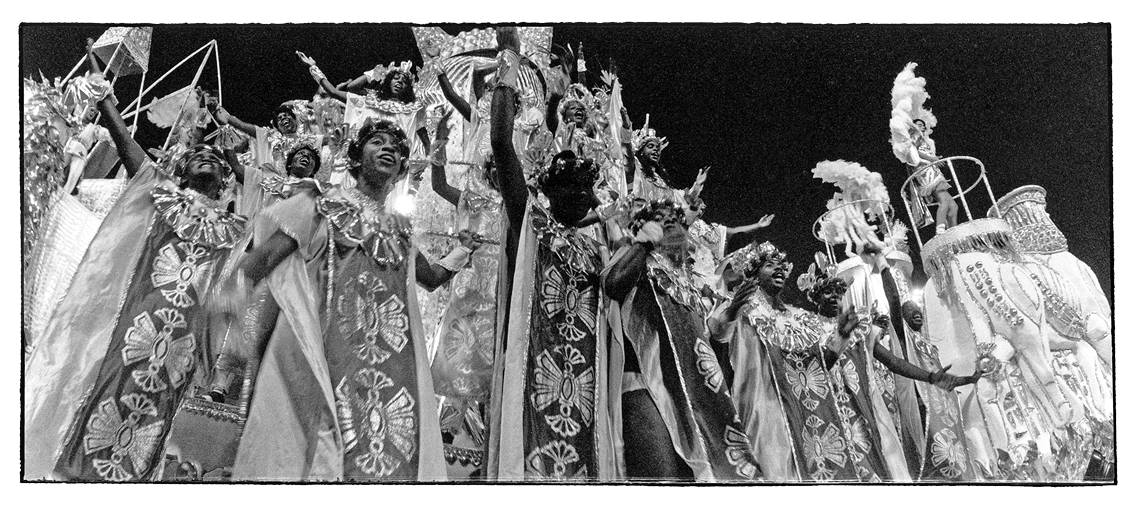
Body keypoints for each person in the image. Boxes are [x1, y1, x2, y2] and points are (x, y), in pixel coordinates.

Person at [24, 49, 246, 480]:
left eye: (217, 163)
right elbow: (125, 140)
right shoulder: (155, 188)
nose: (208, 160)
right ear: (180, 171)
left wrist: (219, 361)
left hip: (177, 351)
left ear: (225, 184)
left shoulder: (235, 232)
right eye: (199, 157)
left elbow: (236, 297)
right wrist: (104, 91)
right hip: (126, 327)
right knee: (99, 390)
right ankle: (72, 473)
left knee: (153, 417)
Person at [220, 119, 481, 481]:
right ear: (356, 160)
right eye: (377, 141)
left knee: (385, 457)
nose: (389, 148)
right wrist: (229, 306)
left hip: (392, 369)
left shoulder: (400, 230)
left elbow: (431, 278)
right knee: (320, 455)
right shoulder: (322, 203)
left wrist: (462, 251)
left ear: (402, 168)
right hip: (327, 357)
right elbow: (263, 259)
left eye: (396, 147)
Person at [484, 28, 617, 480]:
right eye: (570, 187)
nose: (580, 195)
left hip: (587, 380)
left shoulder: (595, 246)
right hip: (530, 367)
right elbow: (502, 142)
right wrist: (510, 59)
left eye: (586, 189)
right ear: (547, 189)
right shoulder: (531, 222)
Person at [601, 200, 762, 481]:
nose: (670, 222)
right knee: (663, 479)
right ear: (643, 227)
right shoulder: (636, 256)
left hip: (692, 397)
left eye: (676, 218)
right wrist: (643, 244)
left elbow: (707, 361)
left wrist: (727, 321)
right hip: (646, 387)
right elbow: (613, 284)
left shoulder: (694, 286)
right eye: (660, 219)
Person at [713, 241, 886, 481]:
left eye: (782, 266)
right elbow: (717, 334)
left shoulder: (800, 318)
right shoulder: (743, 308)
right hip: (764, 409)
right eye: (770, 265)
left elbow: (819, 368)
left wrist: (842, 337)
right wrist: (732, 311)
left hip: (805, 414)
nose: (780, 270)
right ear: (753, 272)